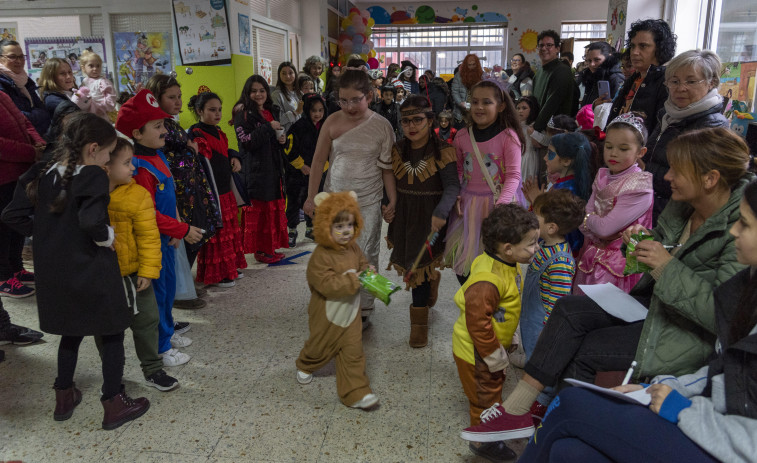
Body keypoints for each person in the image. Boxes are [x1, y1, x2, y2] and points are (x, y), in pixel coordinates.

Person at [459, 126, 754, 441]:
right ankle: (523, 411)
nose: (667, 177)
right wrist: (640, 248)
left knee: (583, 349)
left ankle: (558, 426)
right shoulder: (685, 206)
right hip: (657, 307)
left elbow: (724, 316)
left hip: (684, 334)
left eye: (677, 171)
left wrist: (664, 265)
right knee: (569, 310)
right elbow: (655, 259)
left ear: (709, 179)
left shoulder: (740, 228)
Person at [517, 179, 757, 463]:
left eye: (744, 224)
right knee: (568, 451)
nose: (733, 230)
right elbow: (720, 371)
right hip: (707, 413)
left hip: (723, 437)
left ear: (709, 177)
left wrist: (681, 409)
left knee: (569, 404)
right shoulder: (745, 287)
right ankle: (523, 404)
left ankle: (519, 410)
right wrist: (660, 387)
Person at [1, 112, 150, 429]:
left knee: (71, 332)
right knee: (111, 334)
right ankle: (114, 402)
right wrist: (107, 237)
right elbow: (91, 221)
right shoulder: (93, 175)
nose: (109, 159)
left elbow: (12, 214)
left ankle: (64, 396)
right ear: (94, 148)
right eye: (109, 153)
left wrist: (47, 236)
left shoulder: (45, 171)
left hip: (56, 271)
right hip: (91, 269)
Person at [116, 89, 203, 367]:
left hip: (167, 237)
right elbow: (147, 213)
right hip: (152, 240)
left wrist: (177, 225)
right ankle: (161, 347)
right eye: (157, 126)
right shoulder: (140, 167)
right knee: (158, 295)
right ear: (136, 133)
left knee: (168, 290)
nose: (165, 130)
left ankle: (166, 331)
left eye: (164, 124)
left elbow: (171, 198)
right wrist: (181, 229)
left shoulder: (157, 155)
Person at [303, 66, 396, 323]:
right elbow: (319, 159)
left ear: (369, 95)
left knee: (366, 252)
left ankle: (365, 307)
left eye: (356, 99)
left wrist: (392, 200)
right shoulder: (332, 121)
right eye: (343, 100)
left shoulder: (382, 126)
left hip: (368, 199)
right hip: (335, 199)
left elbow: (387, 169)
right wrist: (311, 197)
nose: (349, 106)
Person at [454, 204, 539, 462]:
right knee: (485, 398)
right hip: (478, 352)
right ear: (508, 248)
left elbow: (503, 309)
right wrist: (493, 355)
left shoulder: (504, 262)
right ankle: (483, 442)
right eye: (531, 244)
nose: (536, 249)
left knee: (491, 392)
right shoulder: (488, 281)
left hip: (489, 348)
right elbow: (478, 323)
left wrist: (508, 336)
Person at [103, 138, 179, 392]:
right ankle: (111, 372)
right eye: (126, 163)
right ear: (105, 166)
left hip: (137, 274)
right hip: (106, 277)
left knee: (147, 321)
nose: (133, 168)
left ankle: (153, 370)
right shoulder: (90, 196)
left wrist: (148, 271)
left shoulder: (137, 194)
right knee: (106, 329)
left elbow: (149, 237)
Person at [385, 95, 460, 347]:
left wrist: (441, 211)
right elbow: (391, 184)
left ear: (430, 121)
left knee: (418, 269)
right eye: (406, 121)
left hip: (431, 217)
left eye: (418, 120)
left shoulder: (444, 149)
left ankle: (419, 325)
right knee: (411, 264)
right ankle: (431, 281)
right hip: (405, 215)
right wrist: (389, 204)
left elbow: (452, 187)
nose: (411, 126)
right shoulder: (397, 149)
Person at [295, 191, 379, 410]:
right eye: (339, 227)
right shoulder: (320, 257)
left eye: (349, 226)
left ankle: (356, 393)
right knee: (318, 347)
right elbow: (326, 285)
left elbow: (361, 263)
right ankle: (306, 363)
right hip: (326, 316)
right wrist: (355, 279)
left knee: (353, 352)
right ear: (325, 227)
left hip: (350, 313)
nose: (345, 232)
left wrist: (367, 270)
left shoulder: (353, 247)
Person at [444, 79, 524, 284]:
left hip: (498, 204)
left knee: (495, 261)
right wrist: (457, 194)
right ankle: (471, 299)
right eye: (475, 102)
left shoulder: (508, 137)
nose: (479, 107)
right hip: (468, 205)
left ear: (501, 106)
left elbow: (514, 175)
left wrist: (501, 205)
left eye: (487, 102)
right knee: (465, 261)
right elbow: (459, 169)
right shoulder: (462, 136)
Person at [144, 75, 221, 273]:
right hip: (177, 193)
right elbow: (164, 158)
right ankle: (181, 289)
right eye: (171, 97)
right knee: (181, 237)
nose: (177, 101)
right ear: (156, 98)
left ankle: (184, 284)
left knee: (196, 232)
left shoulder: (170, 123)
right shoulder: (155, 125)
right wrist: (191, 151)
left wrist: (189, 150)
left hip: (191, 191)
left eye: (179, 96)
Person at [645, 50, 729, 224]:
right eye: (674, 81)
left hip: (677, 217)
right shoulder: (667, 115)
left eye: (691, 81)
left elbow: (695, 184)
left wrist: (642, 171)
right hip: (650, 206)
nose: (680, 88)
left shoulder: (712, 125)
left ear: (711, 82)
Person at [575, 113, 654, 293]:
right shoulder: (603, 175)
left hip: (623, 265)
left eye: (623, 149)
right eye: (609, 146)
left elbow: (604, 228)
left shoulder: (639, 185)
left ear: (640, 152)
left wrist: (589, 221)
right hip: (594, 254)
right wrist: (592, 223)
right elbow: (588, 219)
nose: (613, 153)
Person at [188, 90, 247, 286]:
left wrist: (234, 156)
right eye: (212, 110)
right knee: (217, 234)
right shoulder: (196, 133)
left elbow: (223, 152)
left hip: (225, 191)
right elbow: (204, 162)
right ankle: (218, 274)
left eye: (220, 110)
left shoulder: (220, 132)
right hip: (211, 193)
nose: (217, 114)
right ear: (199, 110)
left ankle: (230, 267)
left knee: (229, 231)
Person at [520, 189, 584, 358]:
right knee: (530, 346)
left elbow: (558, 300)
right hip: (531, 314)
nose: (531, 220)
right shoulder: (544, 244)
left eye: (536, 217)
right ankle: (528, 359)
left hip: (542, 324)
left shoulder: (560, 260)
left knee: (540, 356)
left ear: (551, 228)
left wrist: (549, 331)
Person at [233, 75, 289, 264]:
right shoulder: (242, 113)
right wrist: (268, 128)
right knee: (261, 212)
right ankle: (261, 251)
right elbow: (246, 142)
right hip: (256, 170)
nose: (258, 94)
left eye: (262, 90)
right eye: (254, 91)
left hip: (273, 168)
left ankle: (269, 248)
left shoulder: (271, 110)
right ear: (247, 93)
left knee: (272, 211)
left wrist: (282, 140)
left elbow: (273, 136)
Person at [0, 90, 44, 298]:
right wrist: (30, 152)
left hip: (18, 172)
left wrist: (37, 142)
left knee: (15, 226)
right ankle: (3, 277)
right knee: (2, 228)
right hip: (2, 175)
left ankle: (16, 267)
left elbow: (24, 121)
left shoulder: (3, 95)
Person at [606, 19, 677, 135]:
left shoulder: (667, 82)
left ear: (659, 48)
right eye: (633, 46)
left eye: (643, 46)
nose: (634, 52)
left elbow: (658, 129)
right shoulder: (634, 78)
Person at [284, 93, 328, 247]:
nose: (317, 114)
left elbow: (329, 150)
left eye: (321, 110)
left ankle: (310, 229)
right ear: (307, 110)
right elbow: (289, 150)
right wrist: (301, 165)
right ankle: (292, 229)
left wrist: (322, 167)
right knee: (294, 202)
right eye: (314, 110)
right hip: (296, 173)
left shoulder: (325, 127)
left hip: (316, 173)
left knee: (314, 200)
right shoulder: (298, 127)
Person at [531, 31, 577, 138]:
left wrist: (535, 130)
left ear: (557, 48)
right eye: (541, 45)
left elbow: (551, 105)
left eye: (549, 45)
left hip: (554, 132)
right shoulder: (539, 73)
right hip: (539, 129)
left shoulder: (562, 71)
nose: (544, 48)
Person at [0, 39, 51, 136]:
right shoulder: (2, 84)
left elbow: (44, 112)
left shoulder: (26, 81)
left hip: (39, 138)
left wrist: (34, 114)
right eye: (12, 57)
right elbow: (15, 119)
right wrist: (38, 114)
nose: (19, 61)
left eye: (21, 56)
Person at [71, 50, 116, 121]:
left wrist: (103, 108)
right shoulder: (84, 81)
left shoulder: (103, 81)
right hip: (87, 114)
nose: (95, 69)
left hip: (101, 113)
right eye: (91, 66)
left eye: (98, 66)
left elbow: (111, 97)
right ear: (83, 68)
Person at [577, 42, 624, 108]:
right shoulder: (590, 77)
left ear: (609, 57)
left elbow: (616, 108)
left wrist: (594, 106)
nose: (592, 64)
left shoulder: (616, 78)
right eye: (589, 61)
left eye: (597, 60)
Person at [514, 96, 540, 207]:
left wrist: (533, 133)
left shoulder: (533, 126)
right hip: (516, 157)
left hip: (528, 158)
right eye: (518, 108)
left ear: (532, 109)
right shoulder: (515, 126)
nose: (520, 111)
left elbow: (542, 143)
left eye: (524, 108)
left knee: (526, 184)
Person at [451, 54, 483, 128]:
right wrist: (460, 102)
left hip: (477, 111)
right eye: (469, 65)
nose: (471, 67)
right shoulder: (458, 76)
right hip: (461, 114)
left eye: (473, 64)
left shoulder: (482, 76)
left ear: (477, 64)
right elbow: (454, 91)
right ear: (466, 65)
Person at [272, 62, 303, 133]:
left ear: (295, 74)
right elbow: (277, 120)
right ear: (279, 75)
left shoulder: (300, 93)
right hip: (286, 136)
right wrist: (295, 112)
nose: (288, 76)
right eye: (284, 73)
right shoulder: (276, 95)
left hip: (300, 134)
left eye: (290, 73)